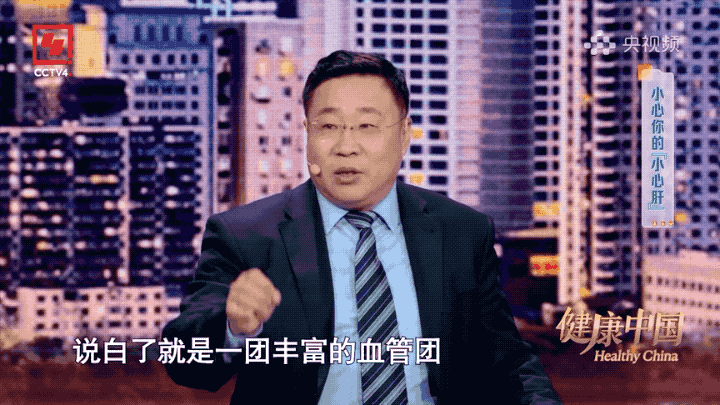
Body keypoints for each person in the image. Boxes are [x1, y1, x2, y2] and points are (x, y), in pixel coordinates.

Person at [162, 50, 562, 404]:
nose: (346, 147)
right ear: (307, 134)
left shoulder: (461, 232)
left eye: (367, 127)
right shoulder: (245, 235)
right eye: (328, 127)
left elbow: (507, 363)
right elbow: (183, 361)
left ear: (403, 135)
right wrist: (232, 326)